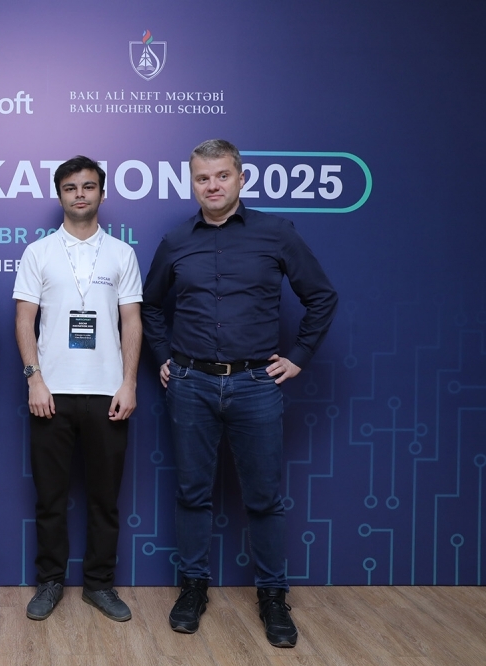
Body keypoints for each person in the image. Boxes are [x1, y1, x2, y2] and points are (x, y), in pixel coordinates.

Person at [141, 139, 338, 648]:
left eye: (222, 175)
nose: (213, 185)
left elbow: (321, 296)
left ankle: (273, 596)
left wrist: (299, 356)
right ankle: (193, 589)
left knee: (264, 497)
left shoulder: (277, 233)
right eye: (203, 178)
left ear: (241, 179)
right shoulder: (175, 241)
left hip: (256, 384)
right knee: (192, 493)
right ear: (192, 183)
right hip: (190, 384)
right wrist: (162, 356)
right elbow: (150, 306)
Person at [13, 155, 143, 622]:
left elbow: (132, 322)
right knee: (50, 498)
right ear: (60, 195)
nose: (80, 194)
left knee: (104, 500)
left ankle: (99, 585)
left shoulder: (122, 254)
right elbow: (24, 320)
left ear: (102, 193)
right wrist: (35, 379)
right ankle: (50, 582)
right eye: (71, 188)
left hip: (108, 394)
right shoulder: (38, 252)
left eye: (88, 186)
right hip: (50, 395)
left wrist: (128, 383)